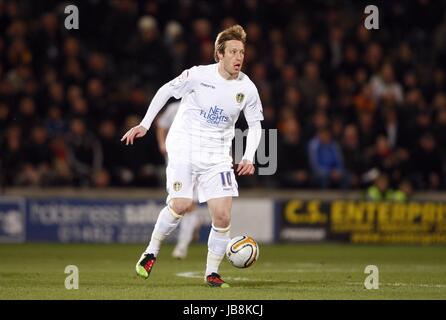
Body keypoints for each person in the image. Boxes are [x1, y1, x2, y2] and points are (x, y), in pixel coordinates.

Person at [121, 25, 263, 288]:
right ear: (219, 54)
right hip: (184, 145)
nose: (238, 57)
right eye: (232, 51)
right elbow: (165, 90)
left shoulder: (248, 88)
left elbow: (255, 125)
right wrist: (145, 124)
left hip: (217, 153)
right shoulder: (198, 76)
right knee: (182, 204)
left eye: (242, 52)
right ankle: (151, 251)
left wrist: (249, 157)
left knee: (222, 216)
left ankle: (212, 273)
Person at [156, 100, 202, 260]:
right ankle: (192, 226)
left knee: (189, 205)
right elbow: (161, 124)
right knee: (178, 204)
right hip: (176, 162)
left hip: (197, 160)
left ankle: (181, 246)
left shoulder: (204, 106)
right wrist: (162, 144)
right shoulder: (174, 108)